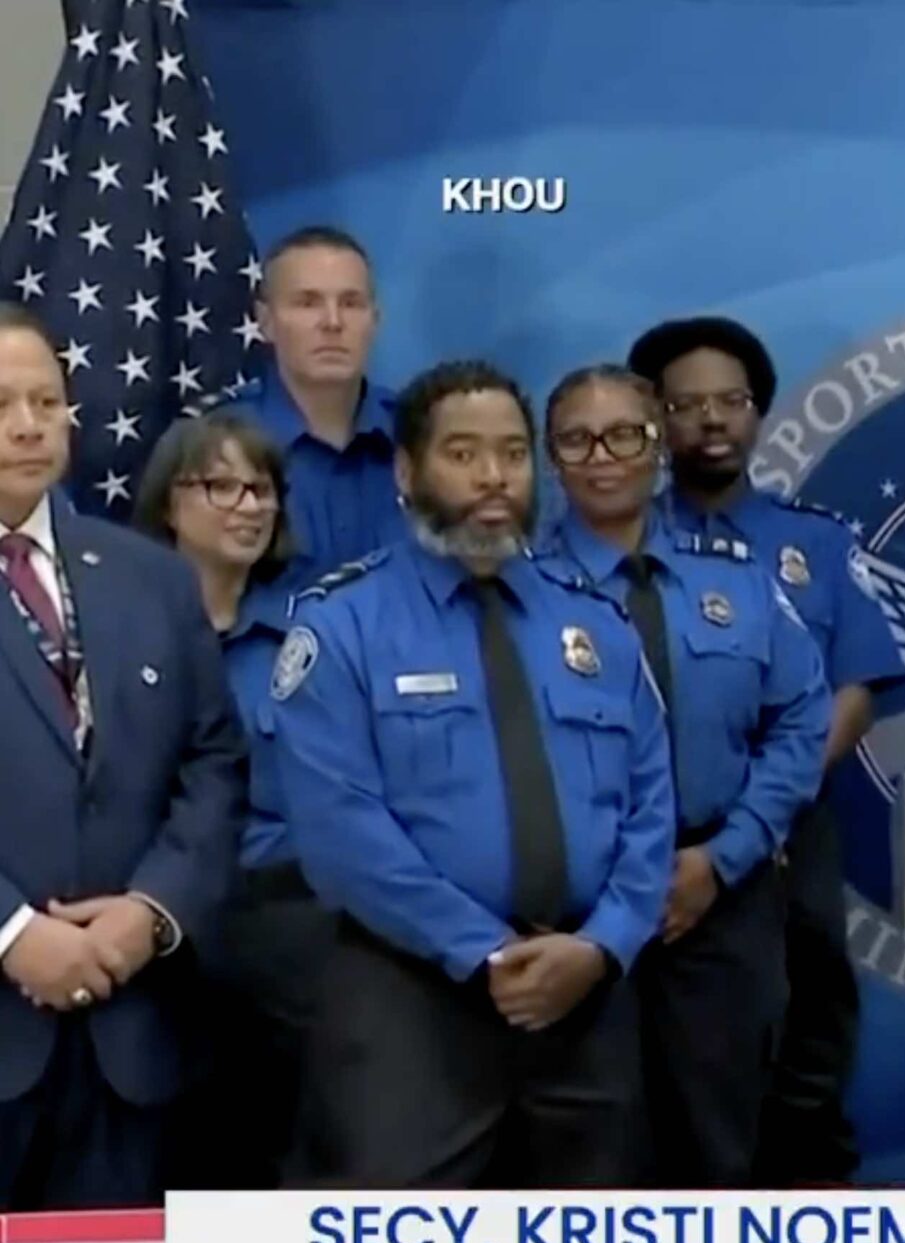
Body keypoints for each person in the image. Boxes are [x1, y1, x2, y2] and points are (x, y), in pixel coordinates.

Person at [268, 360, 675, 1187]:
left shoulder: (593, 618)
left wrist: (601, 947)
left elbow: (649, 806)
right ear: (408, 471)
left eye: (513, 454)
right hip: (412, 999)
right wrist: (486, 953)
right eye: (463, 453)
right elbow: (342, 833)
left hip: (586, 1000)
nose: (493, 476)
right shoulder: (342, 623)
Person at [532, 365, 831, 1186]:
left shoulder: (735, 582)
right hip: (575, 911)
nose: (602, 456)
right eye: (576, 439)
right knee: (589, 1160)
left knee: (719, 1150)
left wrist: (726, 855)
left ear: (658, 447)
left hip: (716, 900)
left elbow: (802, 721)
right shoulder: (514, 593)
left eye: (625, 434)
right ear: (551, 457)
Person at [632, 315, 905, 1185]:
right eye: (687, 404)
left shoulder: (815, 541)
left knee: (808, 1032)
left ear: (758, 414)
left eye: (731, 401)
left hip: (789, 835)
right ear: (654, 418)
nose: (711, 420)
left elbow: (855, 689)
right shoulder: (618, 541)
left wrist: (758, 807)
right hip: (657, 844)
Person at [0, 302, 243, 1208]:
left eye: (46, 400)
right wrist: (15, 934)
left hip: (136, 1039)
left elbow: (214, 761)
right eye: (1, 405)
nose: (29, 425)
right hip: (7, 1009)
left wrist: (151, 911)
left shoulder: (152, 575)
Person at [131, 411, 328, 1188]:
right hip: (157, 922)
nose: (247, 505)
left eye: (262, 487)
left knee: (291, 1147)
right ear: (169, 502)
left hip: (286, 922)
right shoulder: (119, 630)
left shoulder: (314, 636)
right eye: (221, 485)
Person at [198, 227, 402, 592]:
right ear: (265, 321)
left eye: (351, 303)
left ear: (375, 319)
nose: (333, 322)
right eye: (308, 303)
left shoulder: (419, 435)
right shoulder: (212, 442)